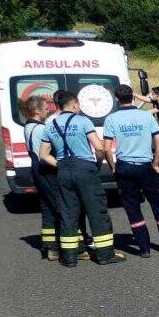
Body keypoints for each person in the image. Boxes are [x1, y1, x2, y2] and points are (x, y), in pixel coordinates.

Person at [39, 91, 124, 267]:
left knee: (68, 214)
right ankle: (105, 255)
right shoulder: (83, 121)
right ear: (75, 105)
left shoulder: (50, 125)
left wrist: (60, 165)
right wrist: (96, 164)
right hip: (85, 169)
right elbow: (100, 148)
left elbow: (43, 155)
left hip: (63, 170)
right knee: (96, 211)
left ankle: (69, 258)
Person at [104, 85, 159, 258]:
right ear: (133, 97)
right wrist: (155, 163)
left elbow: (107, 148)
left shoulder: (112, 119)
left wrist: (114, 167)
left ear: (117, 99)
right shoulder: (146, 116)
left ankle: (144, 248)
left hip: (124, 166)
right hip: (146, 166)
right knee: (157, 205)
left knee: (132, 207)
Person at [19, 95, 60, 260]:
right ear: (37, 110)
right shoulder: (42, 129)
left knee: (48, 208)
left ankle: (50, 247)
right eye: (45, 108)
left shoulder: (28, 127)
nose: (48, 110)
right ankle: (69, 245)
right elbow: (46, 154)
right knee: (60, 206)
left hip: (36, 170)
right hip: (46, 171)